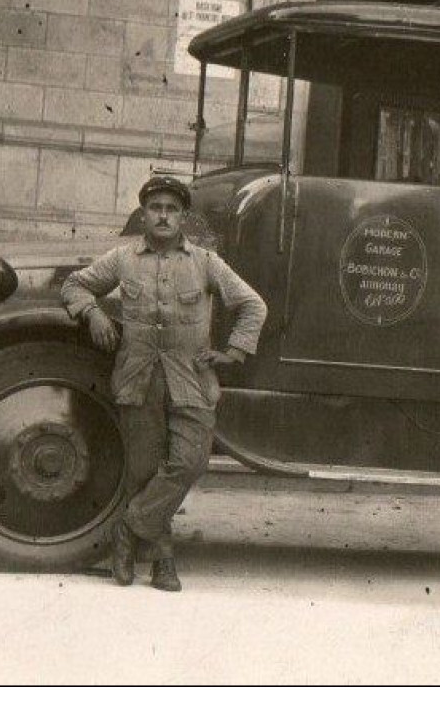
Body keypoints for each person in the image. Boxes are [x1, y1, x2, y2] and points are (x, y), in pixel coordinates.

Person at [60, 175, 267, 592]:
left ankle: (127, 529)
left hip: (191, 380)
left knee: (190, 462)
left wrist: (234, 352)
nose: (163, 216)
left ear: (183, 217)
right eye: (156, 208)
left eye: (172, 209)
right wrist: (94, 314)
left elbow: (252, 305)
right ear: (144, 213)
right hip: (138, 380)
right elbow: (75, 284)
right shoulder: (122, 259)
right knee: (144, 471)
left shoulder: (206, 262)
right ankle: (163, 564)